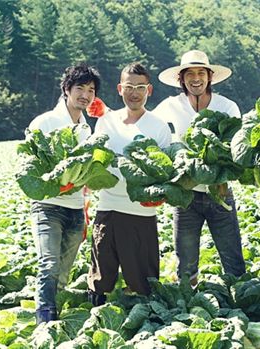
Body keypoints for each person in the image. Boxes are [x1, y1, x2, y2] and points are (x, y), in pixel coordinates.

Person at [153, 50, 246, 286]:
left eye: (201, 73)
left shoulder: (228, 107)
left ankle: (238, 299)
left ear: (209, 77)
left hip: (220, 193)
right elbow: (151, 135)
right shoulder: (169, 107)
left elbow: (239, 149)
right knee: (185, 264)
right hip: (185, 196)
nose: (196, 78)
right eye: (190, 73)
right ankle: (186, 303)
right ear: (181, 79)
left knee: (233, 258)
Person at [87, 63, 171, 306]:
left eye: (140, 87)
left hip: (141, 212)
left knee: (143, 281)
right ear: (119, 88)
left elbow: (168, 171)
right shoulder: (106, 122)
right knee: (101, 277)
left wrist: (160, 194)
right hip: (108, 208)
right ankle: (99, 319)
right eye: (129, 86)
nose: (134, 92)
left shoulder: (159, 126)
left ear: (149, 90)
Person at [27, 63, 100, 323]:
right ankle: (44, 321)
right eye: (80, 88)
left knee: (63, 272)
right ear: (67, 89)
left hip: (75, 208)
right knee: (48, 264)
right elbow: (29, 167)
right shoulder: (45, 122)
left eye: (91, 90)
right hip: (47, 206)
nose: (85, 95)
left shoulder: (86, 129)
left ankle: (54, 314)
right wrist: (56, 181)